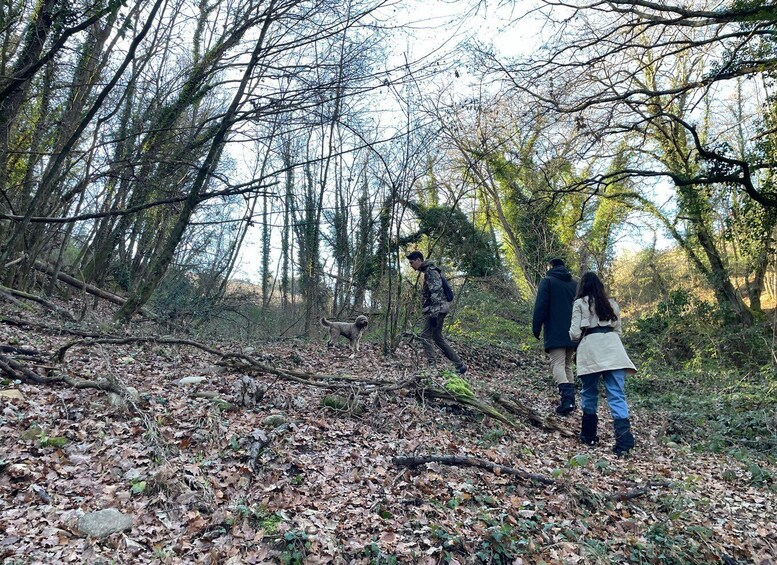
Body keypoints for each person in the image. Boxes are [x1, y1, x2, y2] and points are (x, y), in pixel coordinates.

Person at [569, 271, 636, 456]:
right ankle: (624, 443)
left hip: (590, 349)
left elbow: (574, 334)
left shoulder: (580, 303)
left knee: (589, 393)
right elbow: (618, 330)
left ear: (582, 286)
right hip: (613, 349)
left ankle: (588, 435)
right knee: (617, 395)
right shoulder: (612, 303)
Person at [406, 251, 467, 374]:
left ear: (418, 260)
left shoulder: (430, 271)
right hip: (440, 309)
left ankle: (432, 366)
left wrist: (433, 314)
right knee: (437, 337)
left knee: (425, 335)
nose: (411, 265)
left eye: (412, 263)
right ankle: (460, 365)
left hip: (437, 310)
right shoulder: (429, 271)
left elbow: (436, 292)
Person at [532, 258, 579, 416]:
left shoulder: (548, 281)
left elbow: (541, 305)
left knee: (557, 364)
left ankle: (567, 401)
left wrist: (536, 327)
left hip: (555, 330)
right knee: (566, 365)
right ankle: (571, 401)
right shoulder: (575, 284)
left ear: (551, 266)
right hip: (573, 332)